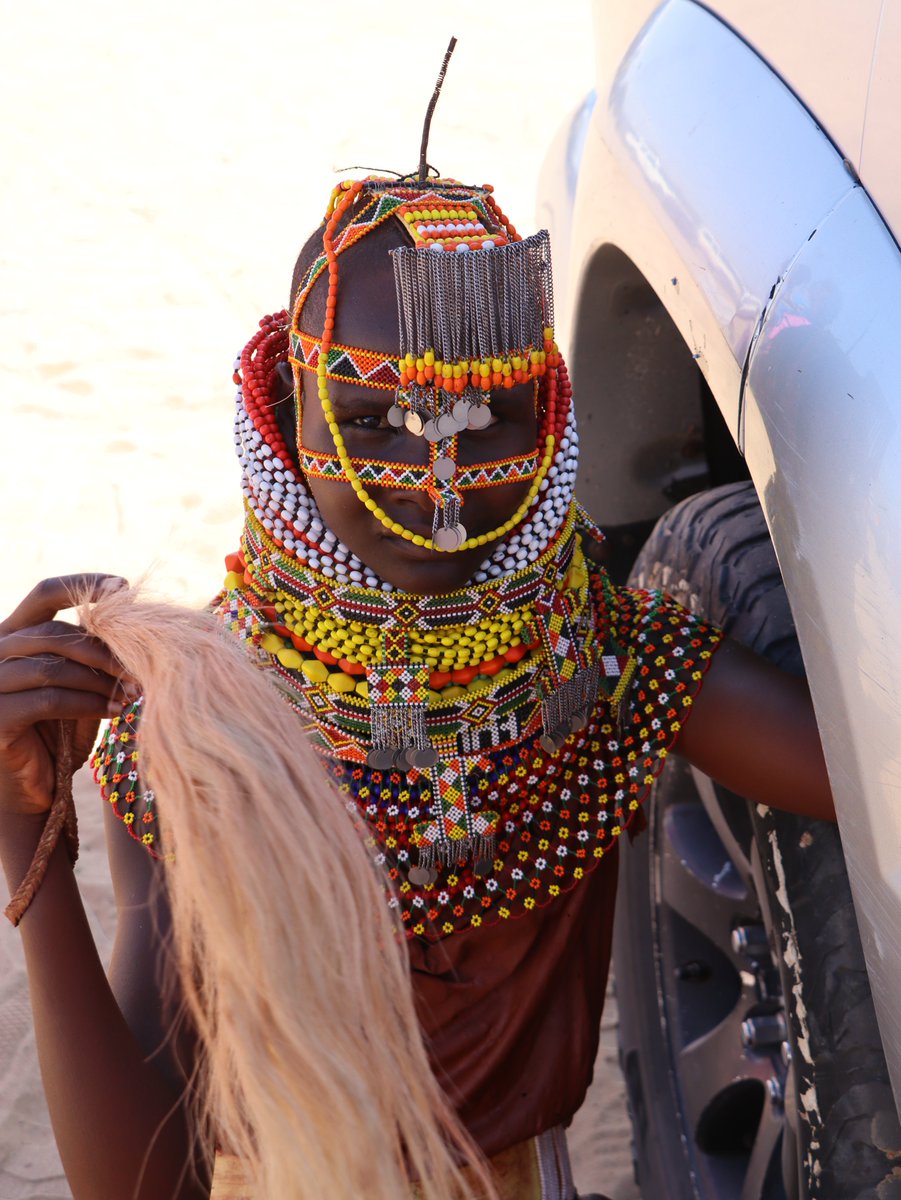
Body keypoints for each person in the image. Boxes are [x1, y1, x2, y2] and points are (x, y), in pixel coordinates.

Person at [0, 173, 833, 1200]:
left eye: (485, 419)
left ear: (549, 415)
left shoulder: (600, 666)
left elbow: (861, 776)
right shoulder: (199, 732)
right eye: (371, 419)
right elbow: (140, 1186)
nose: (435, 493)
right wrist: (24, 841)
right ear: (283, 413)